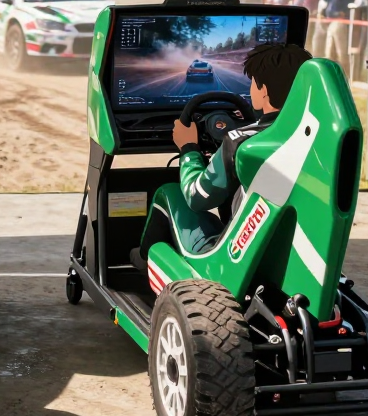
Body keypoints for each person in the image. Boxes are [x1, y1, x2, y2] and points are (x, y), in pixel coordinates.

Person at [132, 43, 313, 267]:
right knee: (215, 210)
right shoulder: (317, 141)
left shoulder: (240, 142)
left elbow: (196, 197)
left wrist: (188, 147)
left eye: (253, 83)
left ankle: (145, 263)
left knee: (170, 193)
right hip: (292, 254)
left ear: (264, 90)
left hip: (235, 261)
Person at [313, 0, 355, 75]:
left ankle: (345, 77)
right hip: (327, 19)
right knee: (328, 52)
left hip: (339, 20)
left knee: (341, 52)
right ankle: (331, 76)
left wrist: (342, 12)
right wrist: (321, 12)